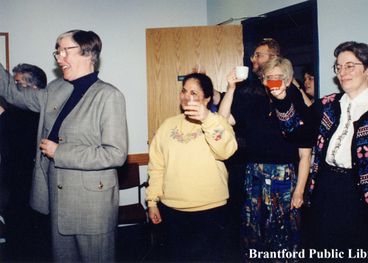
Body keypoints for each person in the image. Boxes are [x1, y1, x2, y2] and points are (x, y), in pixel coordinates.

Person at [0, 30, 128, 262]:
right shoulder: (56, 89)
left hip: (91, 206)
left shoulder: (108, 96)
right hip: (57, 202)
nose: (58, 57)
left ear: (88, 53)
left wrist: (61, 152)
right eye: (57, 51)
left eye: (64, 51)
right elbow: (11, 92)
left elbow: (115, 154)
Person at [270, 41, 368, 261]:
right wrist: (282, 101)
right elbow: (296, 133)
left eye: (350, 66)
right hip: (323, 191)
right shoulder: (327, 104)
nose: (342, 72)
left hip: (360, 201)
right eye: (338, 67)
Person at [219, 40, 311, 258]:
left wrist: (299, 191)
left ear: (288, 80)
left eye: (277, 77)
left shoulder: (296, 101)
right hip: (254, 173)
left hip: (284, 176)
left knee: (282, 234)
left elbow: (305, 155)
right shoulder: (254, 99)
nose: (272, 82)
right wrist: (231, 89)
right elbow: (222, 120)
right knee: (254, 233)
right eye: (268, 77)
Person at [146, 73, 238, 261]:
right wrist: (152, 201)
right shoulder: (168, 125)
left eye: (194, 93)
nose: (187, 97)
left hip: (210, 211)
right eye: (184, 91)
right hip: (172, 211)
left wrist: (208, 119)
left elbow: (225, 151)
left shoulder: (218, 122)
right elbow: (157, 166)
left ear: (207, 98)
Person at [0, 63, 51, 261]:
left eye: (18, 84)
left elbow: (20, 136)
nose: (13, 90)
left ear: (34, 89)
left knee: (31, 244)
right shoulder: (15, 113)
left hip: (32, 190)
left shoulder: (40, 113)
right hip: (13, 188)